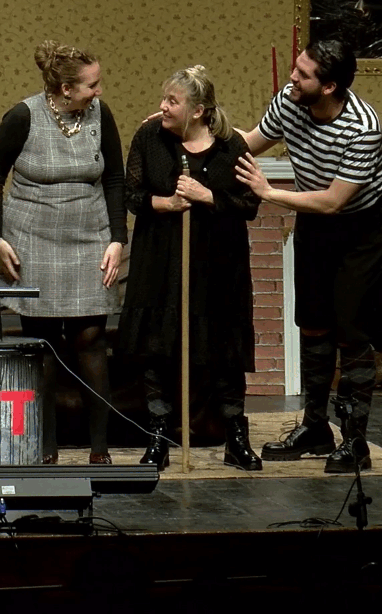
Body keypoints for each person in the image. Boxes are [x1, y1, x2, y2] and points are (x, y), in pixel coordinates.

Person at [236, 38, 382, 473]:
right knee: (314, 324)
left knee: (351, 330)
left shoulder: (363, 128)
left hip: (358, 227)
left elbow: (334, 201)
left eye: (302, 74)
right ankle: (315, 427)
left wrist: (268, 192)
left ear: (329, 86)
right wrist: (190, 129)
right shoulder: (290, 101)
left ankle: (355, 441)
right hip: (314, 222)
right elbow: (250, 142)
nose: (292, 78)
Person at [0, 40, 126, 465]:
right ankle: (46, 447)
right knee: (43, 343)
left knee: (91, 338)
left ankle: (99, 448)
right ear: (66, 88)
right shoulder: (22, 116)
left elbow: (115, 179)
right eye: (91, 85)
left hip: (89, 237)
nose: (99, 91)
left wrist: (117, 239)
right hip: (33, 240)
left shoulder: (101, 114)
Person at [120, 66, 261, 472]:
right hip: (160, 261)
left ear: (198, 110)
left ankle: (235, 436)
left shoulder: (231, 147)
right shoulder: (150, 137)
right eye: (164, 98)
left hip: (218, 265)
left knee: (225, 352)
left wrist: (207, 196)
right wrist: (166, 203)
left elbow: (249, 204)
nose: (162, 106)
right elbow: (131, 194)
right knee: (158, 348)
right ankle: (159, 436)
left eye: (172, 101)